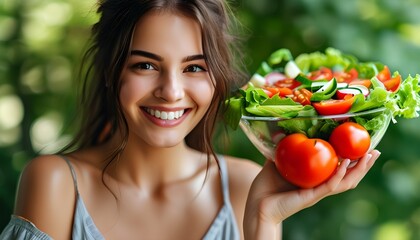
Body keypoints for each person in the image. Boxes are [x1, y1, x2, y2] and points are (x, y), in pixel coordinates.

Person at [0, 0, 381, 239]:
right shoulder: (56, 184)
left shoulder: (246, 185)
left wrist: (264, 218)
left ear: (217, 79)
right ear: (111, 71)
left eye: (194, 68)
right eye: (146, 65)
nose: (171, 91)